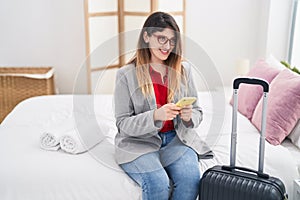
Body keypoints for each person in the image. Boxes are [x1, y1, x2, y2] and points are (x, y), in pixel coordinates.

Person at [114, 11, 204, 200]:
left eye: (172, 41)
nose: (167, 46)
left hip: (177, 139)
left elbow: (198, 112)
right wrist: (155, 115)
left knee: (191, 180)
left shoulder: (184, 69)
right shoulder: (125, 74)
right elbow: (123, 124)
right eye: (161, 38)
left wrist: (189, 117)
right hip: (139, 143)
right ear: (146, 36)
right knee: (158, 184)